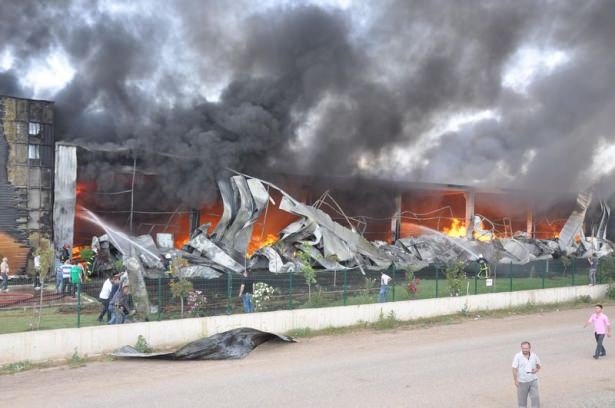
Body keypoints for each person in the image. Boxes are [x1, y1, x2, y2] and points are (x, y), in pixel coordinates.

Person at [512, 341, 541, 408]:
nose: (524, 350)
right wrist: (515, 380)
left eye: (526, 348)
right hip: (522, 382)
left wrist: (536, 370)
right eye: (523, 348)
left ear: (530, 348)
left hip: (533, 380)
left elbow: (539, 365)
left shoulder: (534, 355)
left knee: (535, 399)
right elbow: (514, 368)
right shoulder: (518, 356)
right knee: (522, 402)